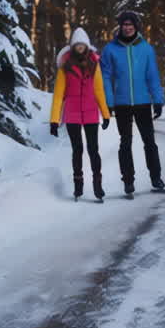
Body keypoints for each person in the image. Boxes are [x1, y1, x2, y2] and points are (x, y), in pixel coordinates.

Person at [100, 10, 165, 198]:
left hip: (143, 102)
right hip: (121, 103)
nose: (127, 28)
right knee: (125, 143)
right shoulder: (111, 49)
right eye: (124, 25)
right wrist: (109, 101)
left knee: (149, 142)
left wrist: (158, 99)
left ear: (136, 27)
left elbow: (152, 76)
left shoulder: (146, 49)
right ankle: (128, 181)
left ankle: (156, 178)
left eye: (130, 25)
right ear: (120, 27)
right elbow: (105, 76)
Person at [49, 28, 111, 201]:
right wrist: (54, 120)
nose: (80, 47)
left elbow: (99, 90)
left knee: (93, 149)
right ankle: (78, 186)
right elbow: (59, 95)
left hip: (91, 113)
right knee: (77, 149)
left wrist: (105, 114)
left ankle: (98, 186)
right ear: (73, 46)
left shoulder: (95, 64)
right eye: (77, 45)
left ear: (87, 46)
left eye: (83, 45)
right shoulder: (65, 66)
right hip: (72, 114)